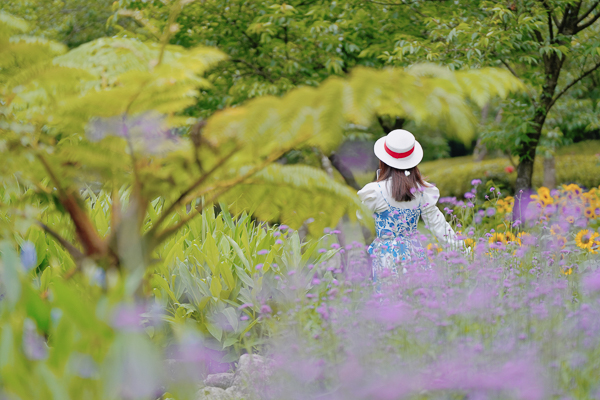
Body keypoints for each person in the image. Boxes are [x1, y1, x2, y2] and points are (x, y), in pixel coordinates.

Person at [357, 129, 465, 281]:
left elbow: (361, 217)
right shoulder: (422, 191)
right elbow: (438, 225)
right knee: (416, 298)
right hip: (415, 254)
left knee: (390, 300)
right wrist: (462, 251)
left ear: (383, 160)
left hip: (386, 257)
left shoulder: (375, 191)